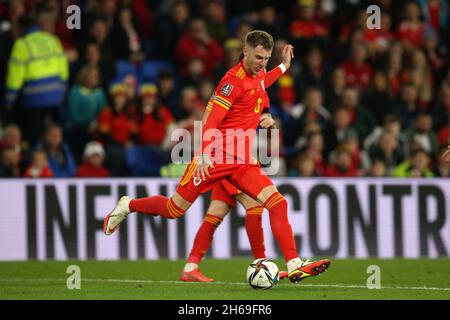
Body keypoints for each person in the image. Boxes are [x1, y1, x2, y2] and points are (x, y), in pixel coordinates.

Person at [104, 30, 331, 283]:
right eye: (258, 57)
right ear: (244, 52)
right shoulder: (231, 82)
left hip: (243, 161)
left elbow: (265, 80)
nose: (261, 63)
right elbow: (211, 119)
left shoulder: (257, 76)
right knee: (173, 209)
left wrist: (283, 66)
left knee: (278, 203)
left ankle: (294, 262)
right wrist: (202, 154)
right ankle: (129, 205)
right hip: (215, 158)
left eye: (266, 58)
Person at [180, 92, 288, 282]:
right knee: (254, 205)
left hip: (230, 162)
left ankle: (191, 266)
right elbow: (209, 126)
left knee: (216, 213)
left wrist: (267, 114)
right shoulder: (227, 97)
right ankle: (261, 264)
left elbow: (263, 101)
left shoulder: (245, 94)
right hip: (227, 163)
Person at [4, 10, 69, 146]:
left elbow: (15, 77)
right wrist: (61, 92)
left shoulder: (22, 44)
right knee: (52, 138)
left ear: (22, 28)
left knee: (34, 140)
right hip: (55, 98)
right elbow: (63, 69)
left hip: (33, 99)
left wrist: (8, 101)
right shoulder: (53, 39)